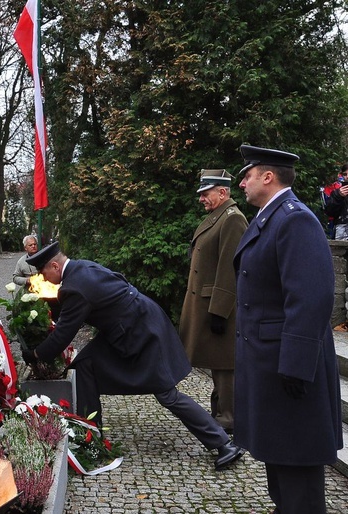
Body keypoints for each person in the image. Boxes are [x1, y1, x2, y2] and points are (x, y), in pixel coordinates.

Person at [21, 241, 246, 471]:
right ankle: (90, 435)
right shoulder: (81, 268)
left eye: (43, 271)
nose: (42, 278)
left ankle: (223, 444)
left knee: (167, 395)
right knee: (84, 365)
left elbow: (62, 336)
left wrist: (36, 354)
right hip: (131, 325)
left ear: (55, 266)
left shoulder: (75, 287)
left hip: (142, 332)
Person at [234, 145, 342, 514]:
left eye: (247, 174)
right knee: (280, 457)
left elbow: (311, 297)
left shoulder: (294, 219)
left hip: (289, 364)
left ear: (268, 176)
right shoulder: (272, 216)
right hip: (269, 361)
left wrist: (296, 365)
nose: (242, 182)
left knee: (297, 463)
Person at [179, 170, 248, 434]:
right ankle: (219, 415)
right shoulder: (218, 217)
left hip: (219, 308)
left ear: (223, 192)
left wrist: (219, 311)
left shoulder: (232, 219)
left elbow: (230, 268)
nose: (201, 199)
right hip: (207, 305)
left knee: (224, 365)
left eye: (205, 193)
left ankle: (228, 420)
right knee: (218, 365)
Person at [323, 164, 348, 239]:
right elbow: (329, 212)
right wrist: (339, 196)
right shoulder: (336, 193)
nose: (347, 177)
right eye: (345, 174)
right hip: (341, 232)